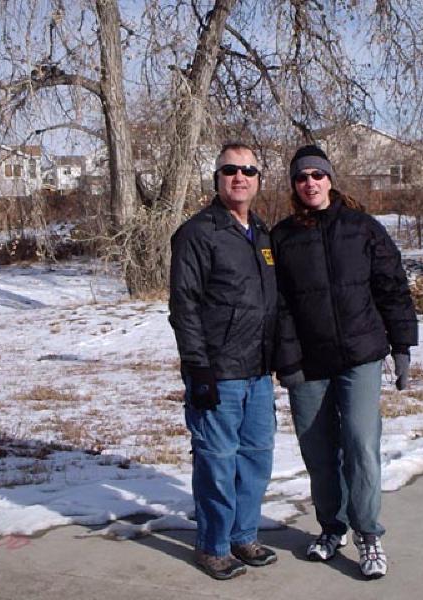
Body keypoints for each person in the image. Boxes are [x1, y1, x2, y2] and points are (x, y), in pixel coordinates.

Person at [272, 145, 418, 579]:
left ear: (331, 179)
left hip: (360, 356)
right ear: (294, 186)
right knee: (318, 453)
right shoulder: (282, 237)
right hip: (308, 363)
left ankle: (369, 535)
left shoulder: (362, 228)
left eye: (318, 174)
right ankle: (330, 528)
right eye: (302, 177)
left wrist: (403, 347)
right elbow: (277, 306)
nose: (310, 182)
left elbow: (392, 286)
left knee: (359, 444)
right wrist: (288, 361)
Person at [168, 143, 278, 580]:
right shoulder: (198, 233)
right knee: (216, 460)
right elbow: (185, 306)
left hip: (259, 372)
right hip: (218, 372)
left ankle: (243, 535)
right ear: (217, 177)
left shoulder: (264, 235)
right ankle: (213, 545)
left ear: (257, 179)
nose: (240, 176)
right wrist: (198, 369)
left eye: (248, 170)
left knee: (257, 457)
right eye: (230, 169)